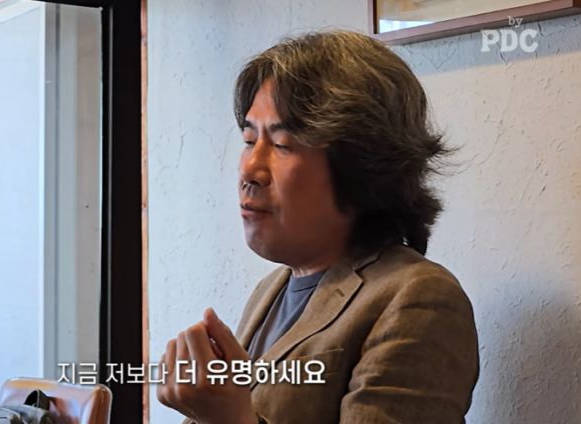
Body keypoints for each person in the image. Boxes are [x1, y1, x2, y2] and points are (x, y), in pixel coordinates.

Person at [156, 30, 479, 424]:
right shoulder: (271, 289)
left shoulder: (419, 297)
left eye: (282, 145)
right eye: (249, 140)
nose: (249, 170)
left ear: (361, 165)